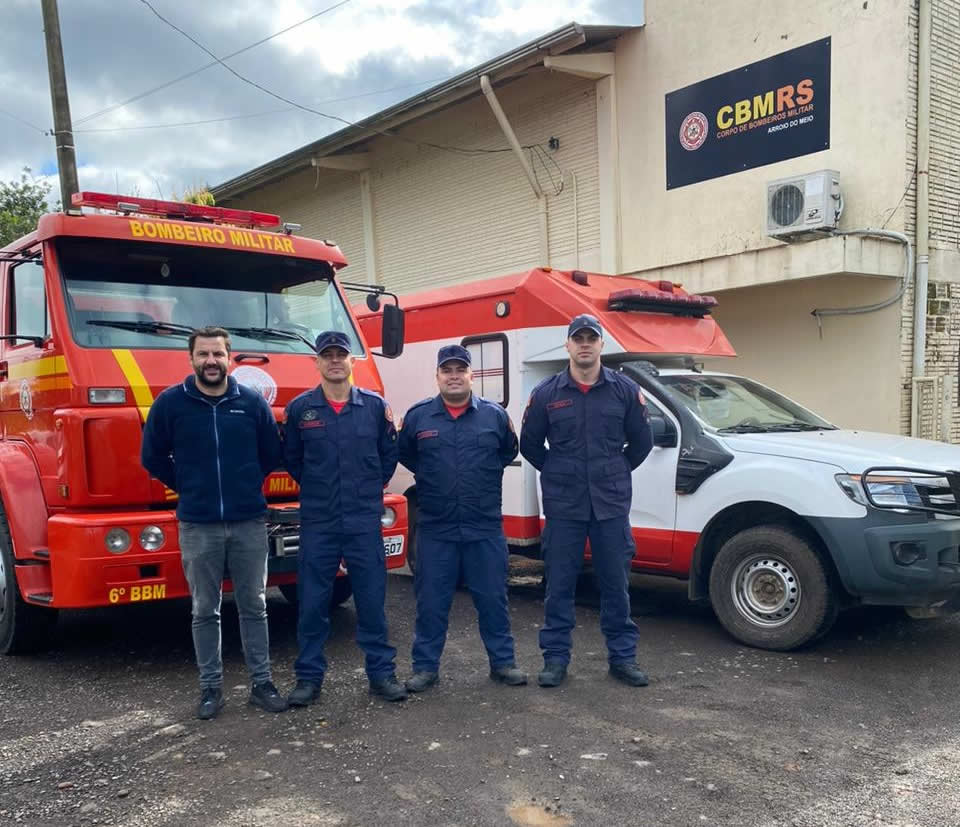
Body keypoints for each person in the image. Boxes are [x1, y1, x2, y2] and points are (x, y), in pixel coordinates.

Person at [141, 325, 288, 720]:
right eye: (203, 354)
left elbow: (271, 453)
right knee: (205, 609)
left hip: (248, 522)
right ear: (191, 359)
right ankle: (210, 689)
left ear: (229, 357)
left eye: (218, 354)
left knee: (254, 605)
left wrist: (244, 484)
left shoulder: (251, 403)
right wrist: (187, 486)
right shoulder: (172, 404)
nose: (211, 361)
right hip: (198, 524)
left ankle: (262, 684)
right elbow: (151, 456)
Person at [519, 314, 654, 689]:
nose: (584, 344)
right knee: (559, 585)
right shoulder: (547, 393)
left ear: (600, 345)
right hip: (564, 507)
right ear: (567, 345)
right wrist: (558, 470)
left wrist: (617, 468)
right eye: (577, 338)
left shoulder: (624, 391)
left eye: (590, 338)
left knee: (615, 584)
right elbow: (529, 444)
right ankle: (556, 660)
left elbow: (642, 442)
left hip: (610, 505)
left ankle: (623, 659)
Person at [283, 330, 406, 704]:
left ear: (352, 361)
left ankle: (381, 675)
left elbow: (389, 456)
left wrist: (365, 491)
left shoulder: (373, 406)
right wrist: (322, 490)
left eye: (341, 355)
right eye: (328, 355)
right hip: (319, 521)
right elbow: (293, 461)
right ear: (317, 362)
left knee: (371, 601)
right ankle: (309, 679)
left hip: (362, 520)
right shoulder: (300, 410)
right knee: (313, 604)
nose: (335, 361)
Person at [397, 345, 527, 693]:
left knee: (492, 599)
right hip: (437, 527)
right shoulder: (418, 417)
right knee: (431, 603)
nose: (454, 376)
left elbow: (507, 450)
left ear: (472, 375)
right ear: (438, 375)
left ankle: (503, 663)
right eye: (447, 370)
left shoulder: (494, 416)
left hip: (483, 526)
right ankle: (425, 668)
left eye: (460, 370)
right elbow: (408, 454)